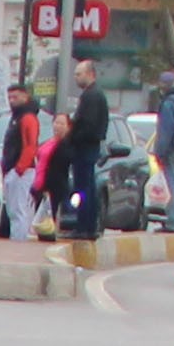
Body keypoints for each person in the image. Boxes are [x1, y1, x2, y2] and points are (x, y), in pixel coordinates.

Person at [52, 74, 114, 242]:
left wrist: (73, 137)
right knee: (86, 187)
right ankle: (86, 226)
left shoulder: (91, 96)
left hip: (85, 149)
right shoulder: (95, 94)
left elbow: (87, 124)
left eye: (79, 74)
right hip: (88, 147)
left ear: (89, 74)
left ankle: (84, 227)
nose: (76, 77)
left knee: (84, 189)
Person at [0, 84, 44, 238]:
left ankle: (19, 242)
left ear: (25, 96)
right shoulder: (17, 117)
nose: (11, 101)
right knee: (13, 211)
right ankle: (17, 239)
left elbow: (30, 145)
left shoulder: (27, 118)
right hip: (14, 169)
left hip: (21, 171)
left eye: (15, 97)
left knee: (18, 210)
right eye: (9, 98)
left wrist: (19, 168)